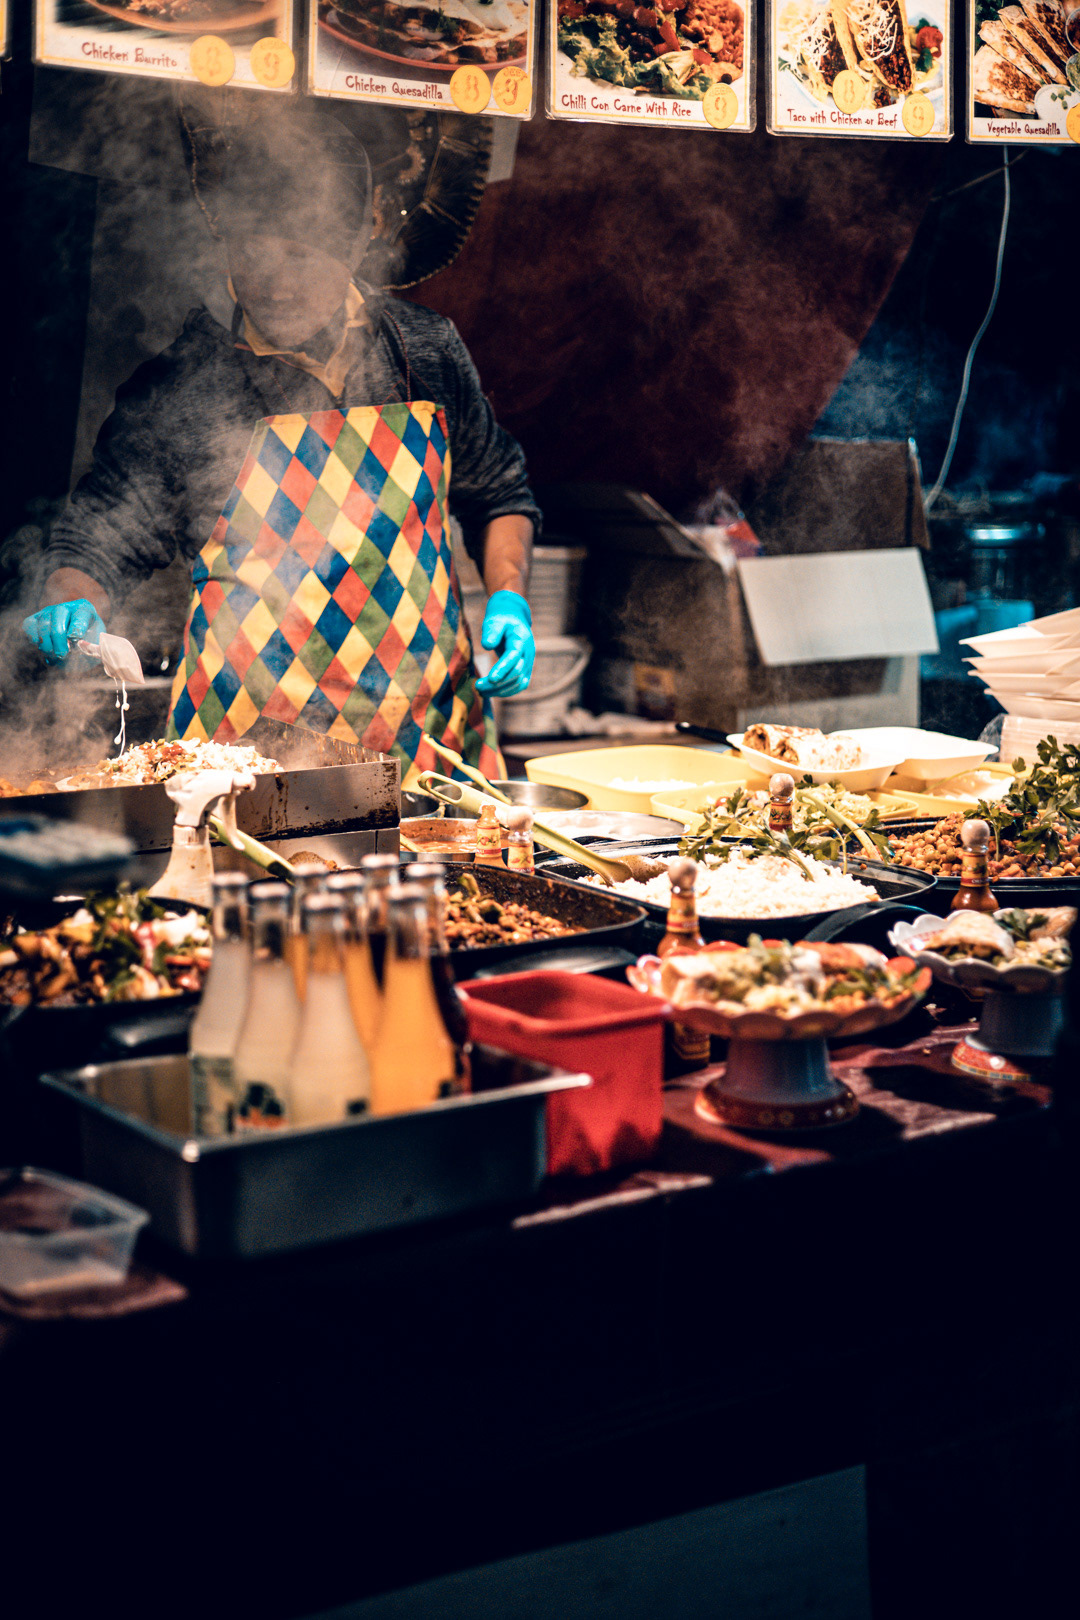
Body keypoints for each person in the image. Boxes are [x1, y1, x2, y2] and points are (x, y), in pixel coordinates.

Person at [23, 113, 538, 785]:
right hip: (242, 753)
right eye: (252, 253)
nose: (275, 282)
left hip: (424, 743)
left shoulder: (426, 351)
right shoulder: (182, 386)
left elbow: (499, 492)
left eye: (300, 255)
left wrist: (509, 596)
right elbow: (95, 541)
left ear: (360, 239)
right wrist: (71, 601)